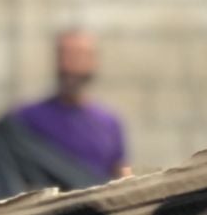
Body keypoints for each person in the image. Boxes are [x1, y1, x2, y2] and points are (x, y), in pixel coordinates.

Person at [12, 29, 131, 182]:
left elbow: (121, 172)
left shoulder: (109, 123)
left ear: (93, 62)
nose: (71, 65)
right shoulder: (28, 118)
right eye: (66, 55)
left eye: (79, 56)